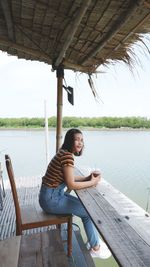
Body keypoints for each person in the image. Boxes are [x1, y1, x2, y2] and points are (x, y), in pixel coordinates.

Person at [39, 128, 111, 259]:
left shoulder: (63, 153)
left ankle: (94, 241)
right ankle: (95, 247)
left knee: (86, 208)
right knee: (88, 213)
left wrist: (87, 178)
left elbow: (69, 178)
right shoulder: (67, 156)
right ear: (69, 140)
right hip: (51, 200)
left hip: (50, 196)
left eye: (82, 140)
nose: (80, 143)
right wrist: (92, 182)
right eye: (77, 139)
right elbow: (71, 184)